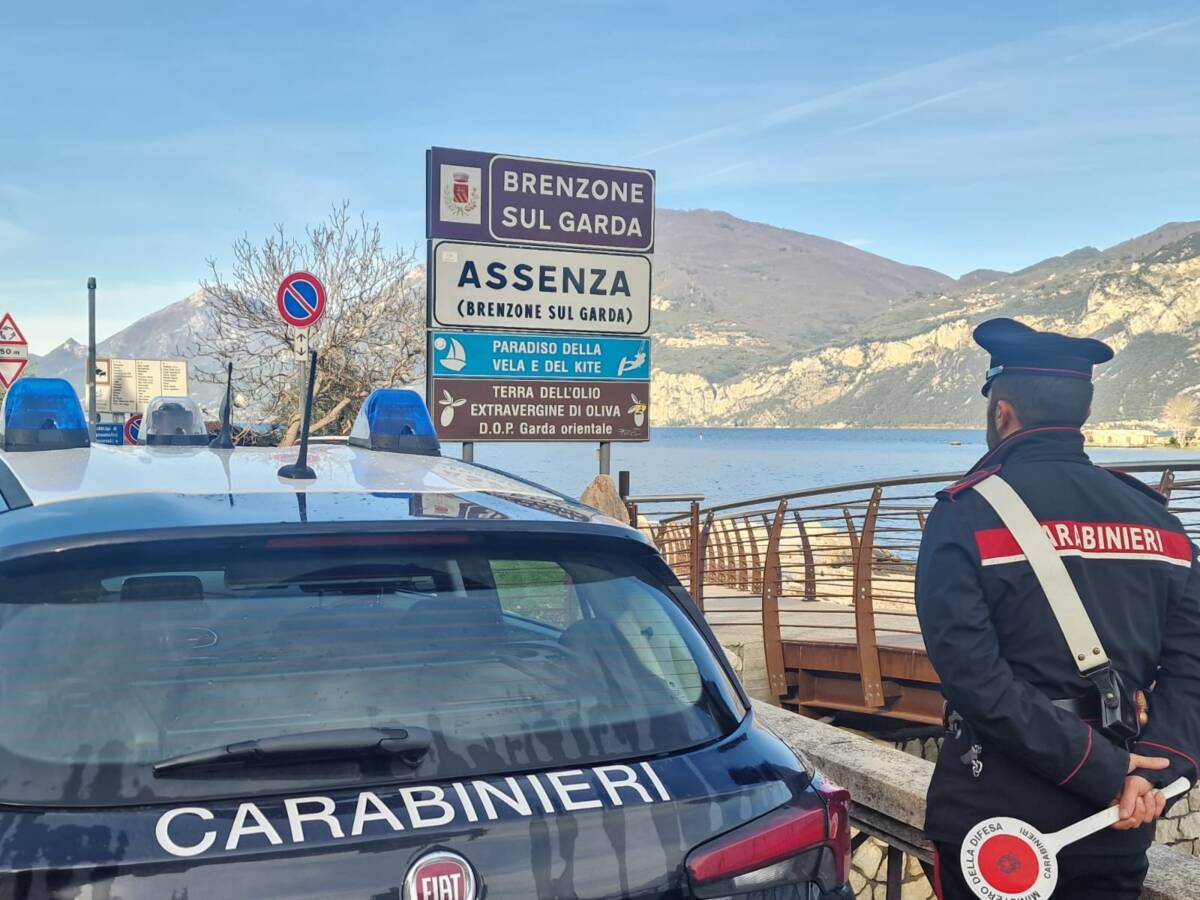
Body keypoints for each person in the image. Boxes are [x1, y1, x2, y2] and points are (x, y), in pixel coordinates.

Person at [915, 318, 1200, 899]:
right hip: (1118, 819)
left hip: (997, 816)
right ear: (1083, 412)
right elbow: (1193, 664)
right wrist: (1159, 767)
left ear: (1002, 412)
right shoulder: (1158, 520)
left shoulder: (966, 513)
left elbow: (974, 678)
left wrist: (1100, 769)